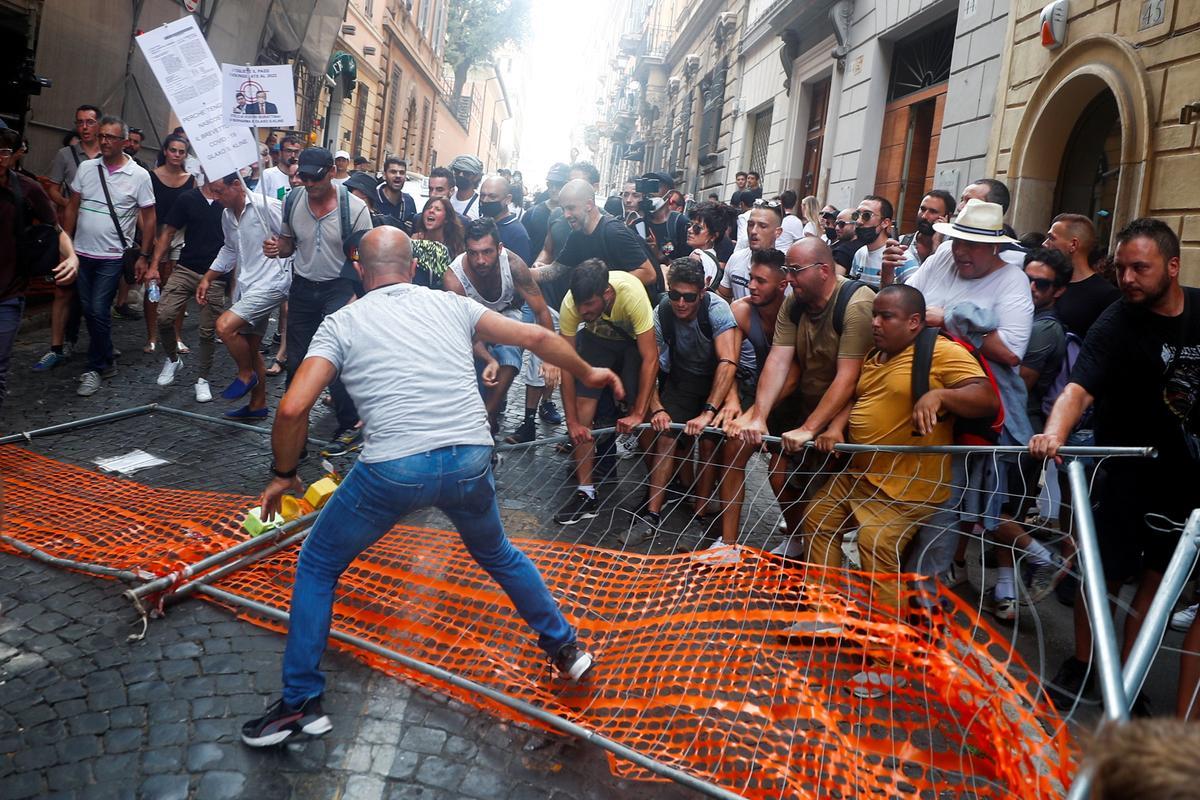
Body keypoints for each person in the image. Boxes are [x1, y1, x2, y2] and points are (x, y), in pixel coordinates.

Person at [240, 227, 615, 747]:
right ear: (412, 268)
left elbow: (292, 407)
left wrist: (284, 474)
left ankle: (300, 703)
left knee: (318, 564)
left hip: (394, 470)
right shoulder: (450, 305)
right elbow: (536, 337)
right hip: (469, 459)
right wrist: (589, 370)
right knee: (499, 553)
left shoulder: (341, 322)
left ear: (359, 271)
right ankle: (567, 650)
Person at [1032, 218, 1200, 719]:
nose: (1127, 278)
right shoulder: (1116, 320)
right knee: (1101, 573)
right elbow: (1077, 390)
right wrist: (1054, 434)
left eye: (1140, 268)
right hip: (1123, 467)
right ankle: (1087, 666)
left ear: (1172, 266)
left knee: (1157, 582)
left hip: (1184, 477)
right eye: (1122, 267)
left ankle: (1128, 679)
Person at [799, 285, 996, 697]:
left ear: (913, 322)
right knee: (817, 518)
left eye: (886, 316)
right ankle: (825, 613)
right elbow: (861, 397)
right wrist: (836, 427)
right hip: (861, 475)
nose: (875, 322)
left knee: (877, 543)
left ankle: (889, 658)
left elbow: (985, 398)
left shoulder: (940, 352)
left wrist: (941, 394)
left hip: (909, 485)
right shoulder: (877, 355)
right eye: (874, 314)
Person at [902, 197, 1034, 594]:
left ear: (995, 247)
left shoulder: (1012, 281)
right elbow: (907, 303)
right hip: (911, 394)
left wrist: (953, 320)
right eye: (957, 240)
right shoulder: (942, 256)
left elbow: (1011, 352)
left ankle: (923, 601)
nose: (961, 250)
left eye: (972, 244)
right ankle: (887, 592)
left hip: (966, 410)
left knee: (945, 505)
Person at [727, 237, 876, 551]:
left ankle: (822, 563)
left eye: (795, 271)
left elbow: (849, 377)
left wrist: (811, 429)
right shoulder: (795, 302)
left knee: (826, 499)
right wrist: (759, 417)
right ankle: (796, 541)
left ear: (823, 270)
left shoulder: (856, 303)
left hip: (846, 415)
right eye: (787, 270)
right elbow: (779, 360)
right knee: (779, 474)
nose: (789, 279)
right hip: (806, 407)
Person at [984, 246, 1072, 621]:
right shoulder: (1020, 315)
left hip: (1022, 433)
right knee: (999, 509)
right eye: (1028, 280)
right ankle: (1006, 591)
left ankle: (1042, 557)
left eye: (1043, 283)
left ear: (1058, 291)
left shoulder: (1044, 328)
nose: (1033, 288)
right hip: (1005, 428)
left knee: (990, 508)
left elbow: (1018, 383)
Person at [264, 146, 372, 448]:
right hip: (302, 286)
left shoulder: (355, 210)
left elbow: (365, 262)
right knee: (297, 362)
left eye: (315, 178)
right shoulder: (294, 199)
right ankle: (292, 434)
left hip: (339, 287)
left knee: (336, 360)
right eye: (303, 177)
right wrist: (277, 248)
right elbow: (289, 244)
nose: (308, 184)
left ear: (332, 173)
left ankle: (348, 426)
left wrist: (357, 298)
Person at [629, 258, 739, 546]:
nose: (680, 303)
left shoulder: (717, 310)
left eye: (688, 297)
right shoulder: (661, 312)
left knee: (708, 441)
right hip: (682, 377)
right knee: (665, 435)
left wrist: (709, 411)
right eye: (675, 295)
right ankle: (653, 513)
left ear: (702, 292)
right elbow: (649, 365)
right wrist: (658, 408)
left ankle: (700, 514)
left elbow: (728, 362)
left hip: (717, 377)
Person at [553, 260, 659, 525]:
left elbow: (650, 358)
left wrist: (636, 413)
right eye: (580, 305)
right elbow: (566, 365)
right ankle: (586, 493)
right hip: (597, 341)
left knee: (643, 411)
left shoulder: (632, 293)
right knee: (582, 407)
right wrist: (572, 422)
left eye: (589, 305)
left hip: (631, 345)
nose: (582, 310)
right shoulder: (571, 305)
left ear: (607, 294)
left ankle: (656, 487)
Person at [64, 115, 155, 397]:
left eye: (110, 137)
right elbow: (72, 206)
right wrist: (65, 243)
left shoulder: (139, 175)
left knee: (96, 309)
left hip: (113, 255)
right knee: (87, 307)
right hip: (80, 252)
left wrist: (145, 255)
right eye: (101, 135)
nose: (103, 141)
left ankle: (96, 366)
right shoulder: (87, 168)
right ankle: (104, 350)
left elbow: (149, 218)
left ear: (124, 142)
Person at [443, 217, 555, 436]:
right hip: (472, 327)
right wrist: (488, 358)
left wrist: (550, 358)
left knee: (509, 353)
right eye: (473, 253)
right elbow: (463, 331)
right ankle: (478, 416)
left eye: (487, 252)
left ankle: (487, 418)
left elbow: (541, 311)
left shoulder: (513, 265)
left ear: (500, 248)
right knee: (474, 373)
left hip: (506, 315)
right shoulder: (454, 278)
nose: (480, 260)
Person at [192, 174, 291, 418]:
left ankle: (246, 374)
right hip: (247, 285)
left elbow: (294, 238)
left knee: (224, 327)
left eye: (219, 191)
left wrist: (281, 248)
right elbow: (229, 249)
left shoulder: (267, 207)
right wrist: (207, 277)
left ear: (236, 185)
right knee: (250, 347)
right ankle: (258, 406)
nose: (215, 198)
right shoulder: (226, 215)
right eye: (212, 192)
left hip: (274, 283)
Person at [715, 248, 791, 553]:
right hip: (760, 390)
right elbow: (727, 361)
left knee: (780, 472)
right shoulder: (742, 310)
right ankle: (727, 544)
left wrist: (758, 414)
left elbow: (794, 372)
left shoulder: (793, 310)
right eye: (750, 279)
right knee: (732, 450)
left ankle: (796, 538)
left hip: (793, 394)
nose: (752, 286)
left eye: (761, 281)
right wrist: (733, 403)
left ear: (782, 284)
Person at [0, 128, 78, 414]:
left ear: (14, 153)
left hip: (8, 293)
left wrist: (71, 257)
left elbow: (57, 231)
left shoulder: (27, 188)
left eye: (5, 151)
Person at [147, 174, 228, 402]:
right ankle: (173, 359)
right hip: (187, 268)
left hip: (216, 274)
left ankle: (202, 379)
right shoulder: (188, 198)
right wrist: (154, 265)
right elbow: (168, 232)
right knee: (164, 316)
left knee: (207, 331)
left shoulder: (229, 201)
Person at [32, 104, 100, 372]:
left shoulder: (109, 154)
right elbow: (50, 184)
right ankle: (56, 347)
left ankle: (99, 343)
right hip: (70, 233)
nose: (84, 127)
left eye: (90, 122)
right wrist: (67, 203)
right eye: (80, 122)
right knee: (63, 290)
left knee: (96, 295)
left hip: (100, 236)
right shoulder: (66, 154)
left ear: (99, 125)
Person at [533, 179, 657, 311]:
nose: (566, 215)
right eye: (563, 209)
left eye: (571, 208)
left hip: (634, 315)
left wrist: (602, 287)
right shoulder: (577, 236)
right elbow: (555, 270)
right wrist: (518, 270)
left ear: (589, 204)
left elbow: (649, 274)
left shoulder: (613, 232)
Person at [140, 133, 196, 354]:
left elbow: (193, 211)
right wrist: (148, 236)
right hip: (155, 233)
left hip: (180, 236)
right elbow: (142, 210)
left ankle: (177, 335)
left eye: (181, 152)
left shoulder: (191, 179)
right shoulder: (150, 177)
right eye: (173, 150)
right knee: (153, 284)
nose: (177, 155)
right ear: (165, 151)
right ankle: (152, 336)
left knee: (179, 287)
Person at [1042, 212, 1120, 338]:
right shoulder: (1047, 283)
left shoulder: (1106, 295)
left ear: (1073, 244)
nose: (1044, 244)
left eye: (1051, 238)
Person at [879, 190, 956, 281]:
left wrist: (937, 244)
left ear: (948, 216)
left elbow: (940, 282)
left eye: (933, 212)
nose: (924, 216)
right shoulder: (902, 241)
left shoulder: (952, 248)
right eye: (922, 209)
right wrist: (887, 271)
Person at [718, 200, 784, 302]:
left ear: (778, 232)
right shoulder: (736, 258)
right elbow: (723, 295)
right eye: (750, 224)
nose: (753, 231)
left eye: (762, 226)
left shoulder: (784, 269)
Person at [628, 171, 690, 265]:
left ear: (670, 194)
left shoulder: (679, 223)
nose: (650, 191)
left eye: (656, 185)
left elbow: (688, 263)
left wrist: (660, 256)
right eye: (647, 186)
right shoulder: (637, 225)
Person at [478, 174, 532, 264]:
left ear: (508, 199)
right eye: (482, 195)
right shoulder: (482, 224)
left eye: (492, 197)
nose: (485, 200)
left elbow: (521, 272)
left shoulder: (517, 234)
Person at [848, 195, 897, 289]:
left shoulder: (900, 257)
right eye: (856, 215)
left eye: (867, 215)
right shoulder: (860, 253)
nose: (859, 221)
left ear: (885, 223)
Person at [522, 162, 568, 258]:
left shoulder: (575, 216)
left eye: (559, 184)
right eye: (550, 184)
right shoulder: (531, 214)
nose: (553, 189)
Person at [684, 203, 725, 288]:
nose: (689, 230)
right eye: (690, 225)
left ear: (713, 236)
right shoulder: (712, 258)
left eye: (697, 228)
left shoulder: (697, 255)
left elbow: (685, 289)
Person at [412, 196, 466, 261]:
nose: (431, 211)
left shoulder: (455, 245)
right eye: (428, 208)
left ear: (446, 219)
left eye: (438, 209)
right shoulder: (415, 240)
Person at [374, 156, 416, 230]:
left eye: (402, 172)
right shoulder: (373, 198)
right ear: (384, 175)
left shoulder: (409, 201)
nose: (398, 176)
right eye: (393, 172)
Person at [260, 135, 303, 202]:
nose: (293, 155)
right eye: (289, 151)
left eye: (296, 152)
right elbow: (259, 200)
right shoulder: (268, 174)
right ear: (280, 153)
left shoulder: (304, 176)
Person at [449, 154, 483, 220]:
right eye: (457, 171)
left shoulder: (480, 204)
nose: (461, 175)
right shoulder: (448, 198)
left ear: (477, 177)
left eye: (466, 173)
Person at [829, 208, 857, 275]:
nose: (837, 228)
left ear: (855, 224)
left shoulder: (842, 252)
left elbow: (837, 281)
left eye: (841, 224)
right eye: (836, 224)